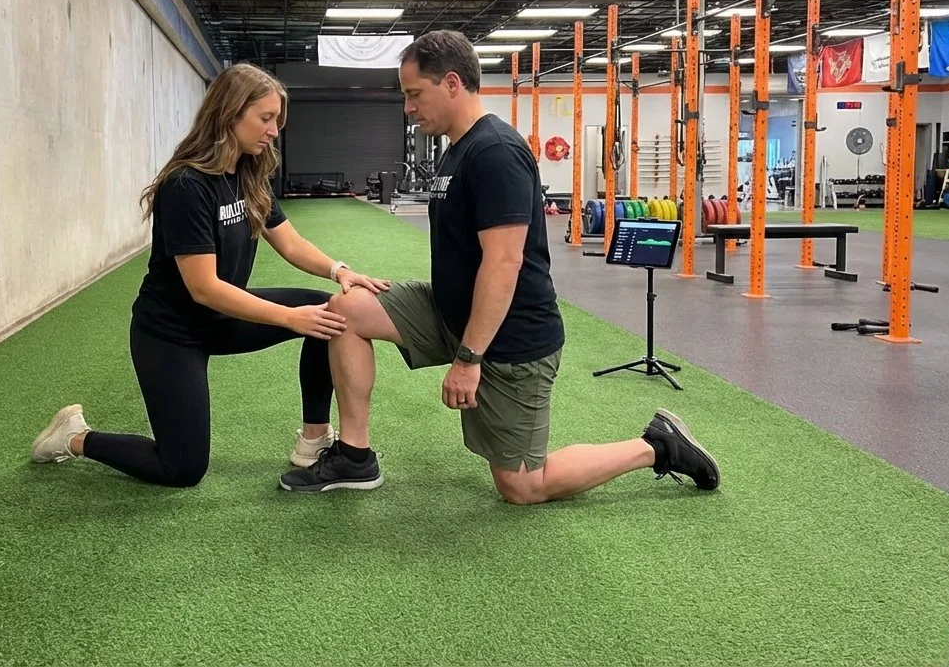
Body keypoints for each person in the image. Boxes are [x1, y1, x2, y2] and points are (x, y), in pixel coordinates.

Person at [279, 30, 720, 503]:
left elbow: (504, 263)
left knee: (524, 486)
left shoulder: (494, 152)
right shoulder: (456, 149)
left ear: (452, 83)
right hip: (452, 314)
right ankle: (354, 456)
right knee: (346, 310)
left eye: (414, 94)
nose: (408, 108)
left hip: (510, 341)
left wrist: (468, 360)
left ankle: (657, 446)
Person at [30, 62, 389, 486]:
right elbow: (204, 288)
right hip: (172, 332)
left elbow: (290, 243)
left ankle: (314, 441)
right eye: (266, 118)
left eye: (277, 120)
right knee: (182, 469)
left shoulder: (249, 174)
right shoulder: (186, 185)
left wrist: (339, 271)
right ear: (230, 113)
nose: (274, 131)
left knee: (330, 313)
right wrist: (290, 317)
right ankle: (75, 437)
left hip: (224, 319)